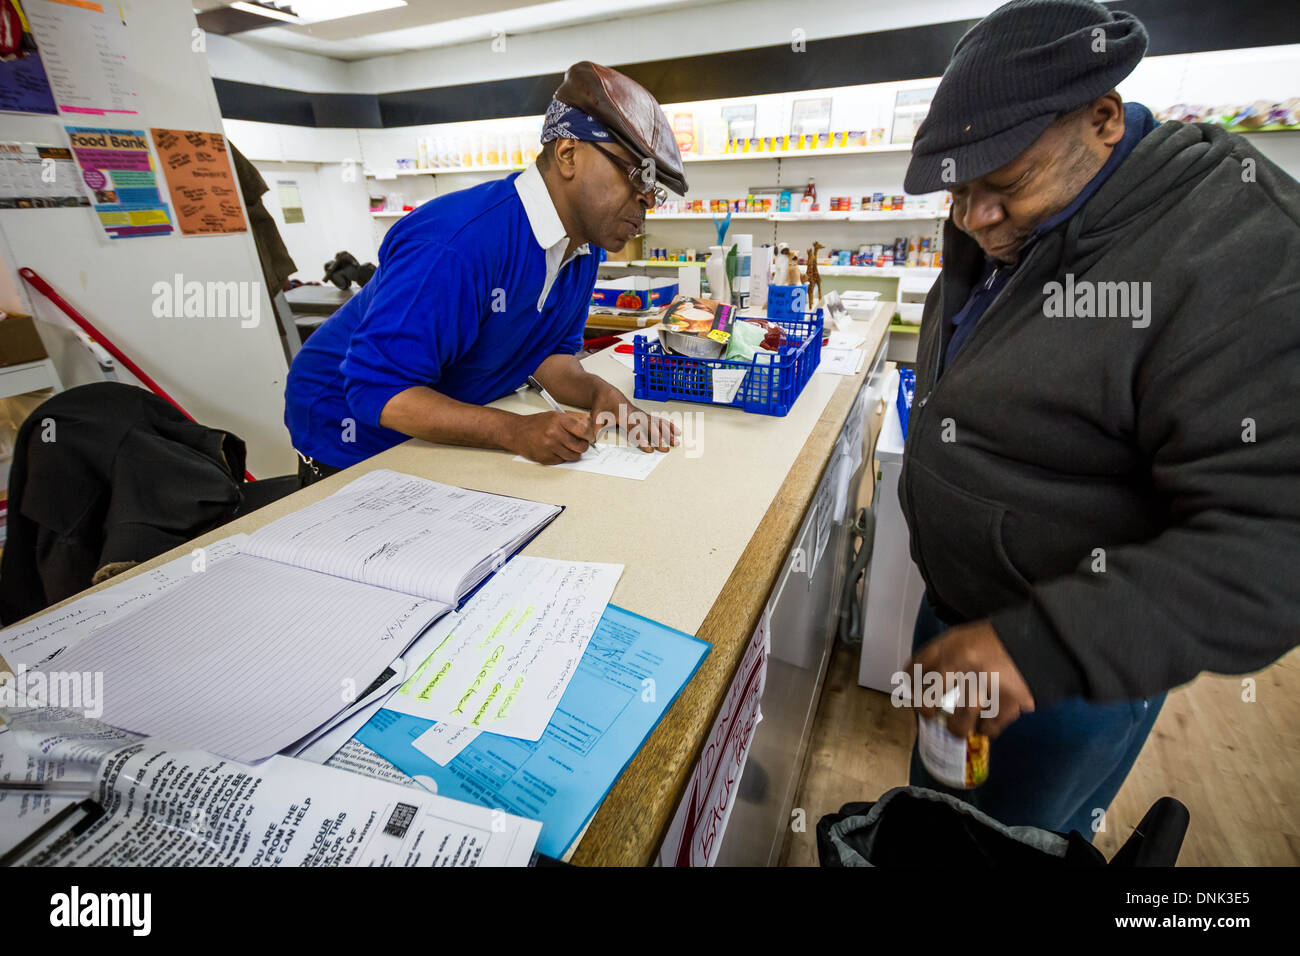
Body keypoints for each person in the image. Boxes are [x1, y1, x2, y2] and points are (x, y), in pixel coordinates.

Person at [898, 0, 1300, 836]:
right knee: (936, 826)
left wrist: (1034, 648)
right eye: (958, 191)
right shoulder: (1006, 211)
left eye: (1002, 187)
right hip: (960, 624)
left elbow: (1274, 542)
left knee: (1014, 841)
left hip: (1065, 671)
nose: (974, 217)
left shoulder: (1238, 245)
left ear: (1103, 118)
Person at [284, 61, 688, 484]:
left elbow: (550, 356)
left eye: (654, 186)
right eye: (637, 174)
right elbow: (378, 391)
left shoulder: (583, 250)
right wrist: (513, 430)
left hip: (433, 430)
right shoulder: (457, 243)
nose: (647, 200)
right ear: (569, 153)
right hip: (347, 431)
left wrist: (599, 394)